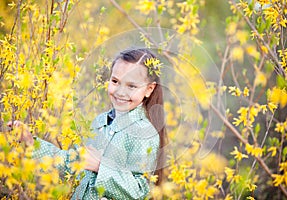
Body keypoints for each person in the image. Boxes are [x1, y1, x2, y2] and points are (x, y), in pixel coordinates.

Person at [8, 48, 167, 200]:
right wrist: (31, 144)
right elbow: (73, 163)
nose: (120, 91)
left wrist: (100, 166)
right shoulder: (100, 122)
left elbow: (141, 190)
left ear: (149, 89)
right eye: (115, 81)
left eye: (131, 86)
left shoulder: (144, 133)